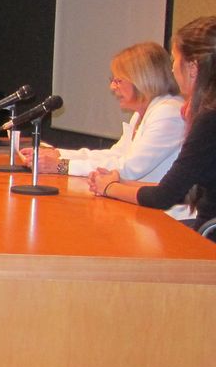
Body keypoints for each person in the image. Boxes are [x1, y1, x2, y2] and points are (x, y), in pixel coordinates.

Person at [88, 17, 216, 227]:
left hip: (207, 235)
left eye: (174, 60)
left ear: (193, 68)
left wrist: (109, 188)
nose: (173, 69)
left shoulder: (208, 120)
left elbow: (163, 196)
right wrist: (119, 182)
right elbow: (183, 190)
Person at [21, 42, 183, 189]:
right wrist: (60, 154)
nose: (112, 87)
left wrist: (61, 166)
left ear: (142, 80)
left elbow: (128, 169)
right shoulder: (143, 113)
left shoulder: (168, 113)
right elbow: (116, 154)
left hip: (162, 211)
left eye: (118, 81)